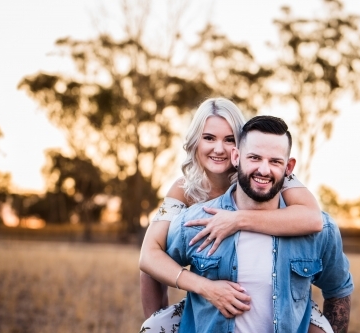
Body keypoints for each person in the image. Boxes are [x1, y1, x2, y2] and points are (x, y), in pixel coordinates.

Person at [139, 98, 330, 332]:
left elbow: (312, 218)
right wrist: (205, 288)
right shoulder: (184, 188)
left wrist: (236, 219)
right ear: (195, 141)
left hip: (282, 298)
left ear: (240, 148)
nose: (219, 149)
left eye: (229, 140)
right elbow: (149, 256)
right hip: (210, 295)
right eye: (209, 138)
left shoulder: (265, 173)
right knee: (153, 327)